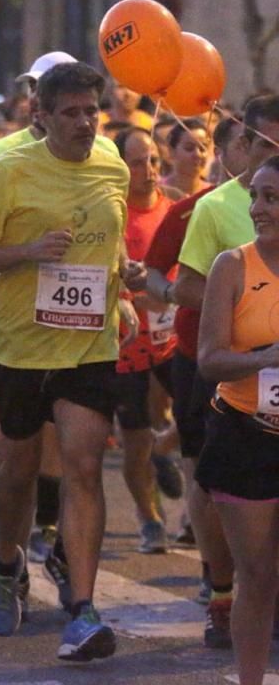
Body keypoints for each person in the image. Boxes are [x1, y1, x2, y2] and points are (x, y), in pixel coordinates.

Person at [0, 62, 145, 661]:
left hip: (90, 344)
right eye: (72, 112)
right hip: (20, 345)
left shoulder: (113, 161)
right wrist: (29, 252)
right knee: (18, 471)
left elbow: (109, 238)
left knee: (84, 467)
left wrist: (124, 288)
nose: (86, 123)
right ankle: (8, 562)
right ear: (40, 114)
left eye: (93, 111)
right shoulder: (6, 165)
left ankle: (83, 610)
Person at [175, 95, 279, 646]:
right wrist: (236, 307)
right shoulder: (215, 209)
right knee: (209, 486)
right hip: (228, 388)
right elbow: (181, 284)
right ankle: (220, 591)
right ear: (244, 144)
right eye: (266, 144)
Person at [196, 155, 279, 685]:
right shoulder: (233, 265)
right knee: (258, 575)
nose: (258, 208)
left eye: (272, 198)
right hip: (245, 435)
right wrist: (265, 357)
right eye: (256, 195)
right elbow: (208, 359)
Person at [110, 127, 175, 554]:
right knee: (134, 443)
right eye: (136, 162)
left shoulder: (175, 212)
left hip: (172, 342)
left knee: (198, 414)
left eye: (152, 159)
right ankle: (148, 517)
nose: (148, 170)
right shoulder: (110, 216)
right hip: (126, 347)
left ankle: (164, 449)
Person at [162, 119, 211, 199]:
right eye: (189, 148)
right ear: (172, 151)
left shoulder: (211, 194)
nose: (197, 154)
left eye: (202, 149)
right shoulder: (157, 192)